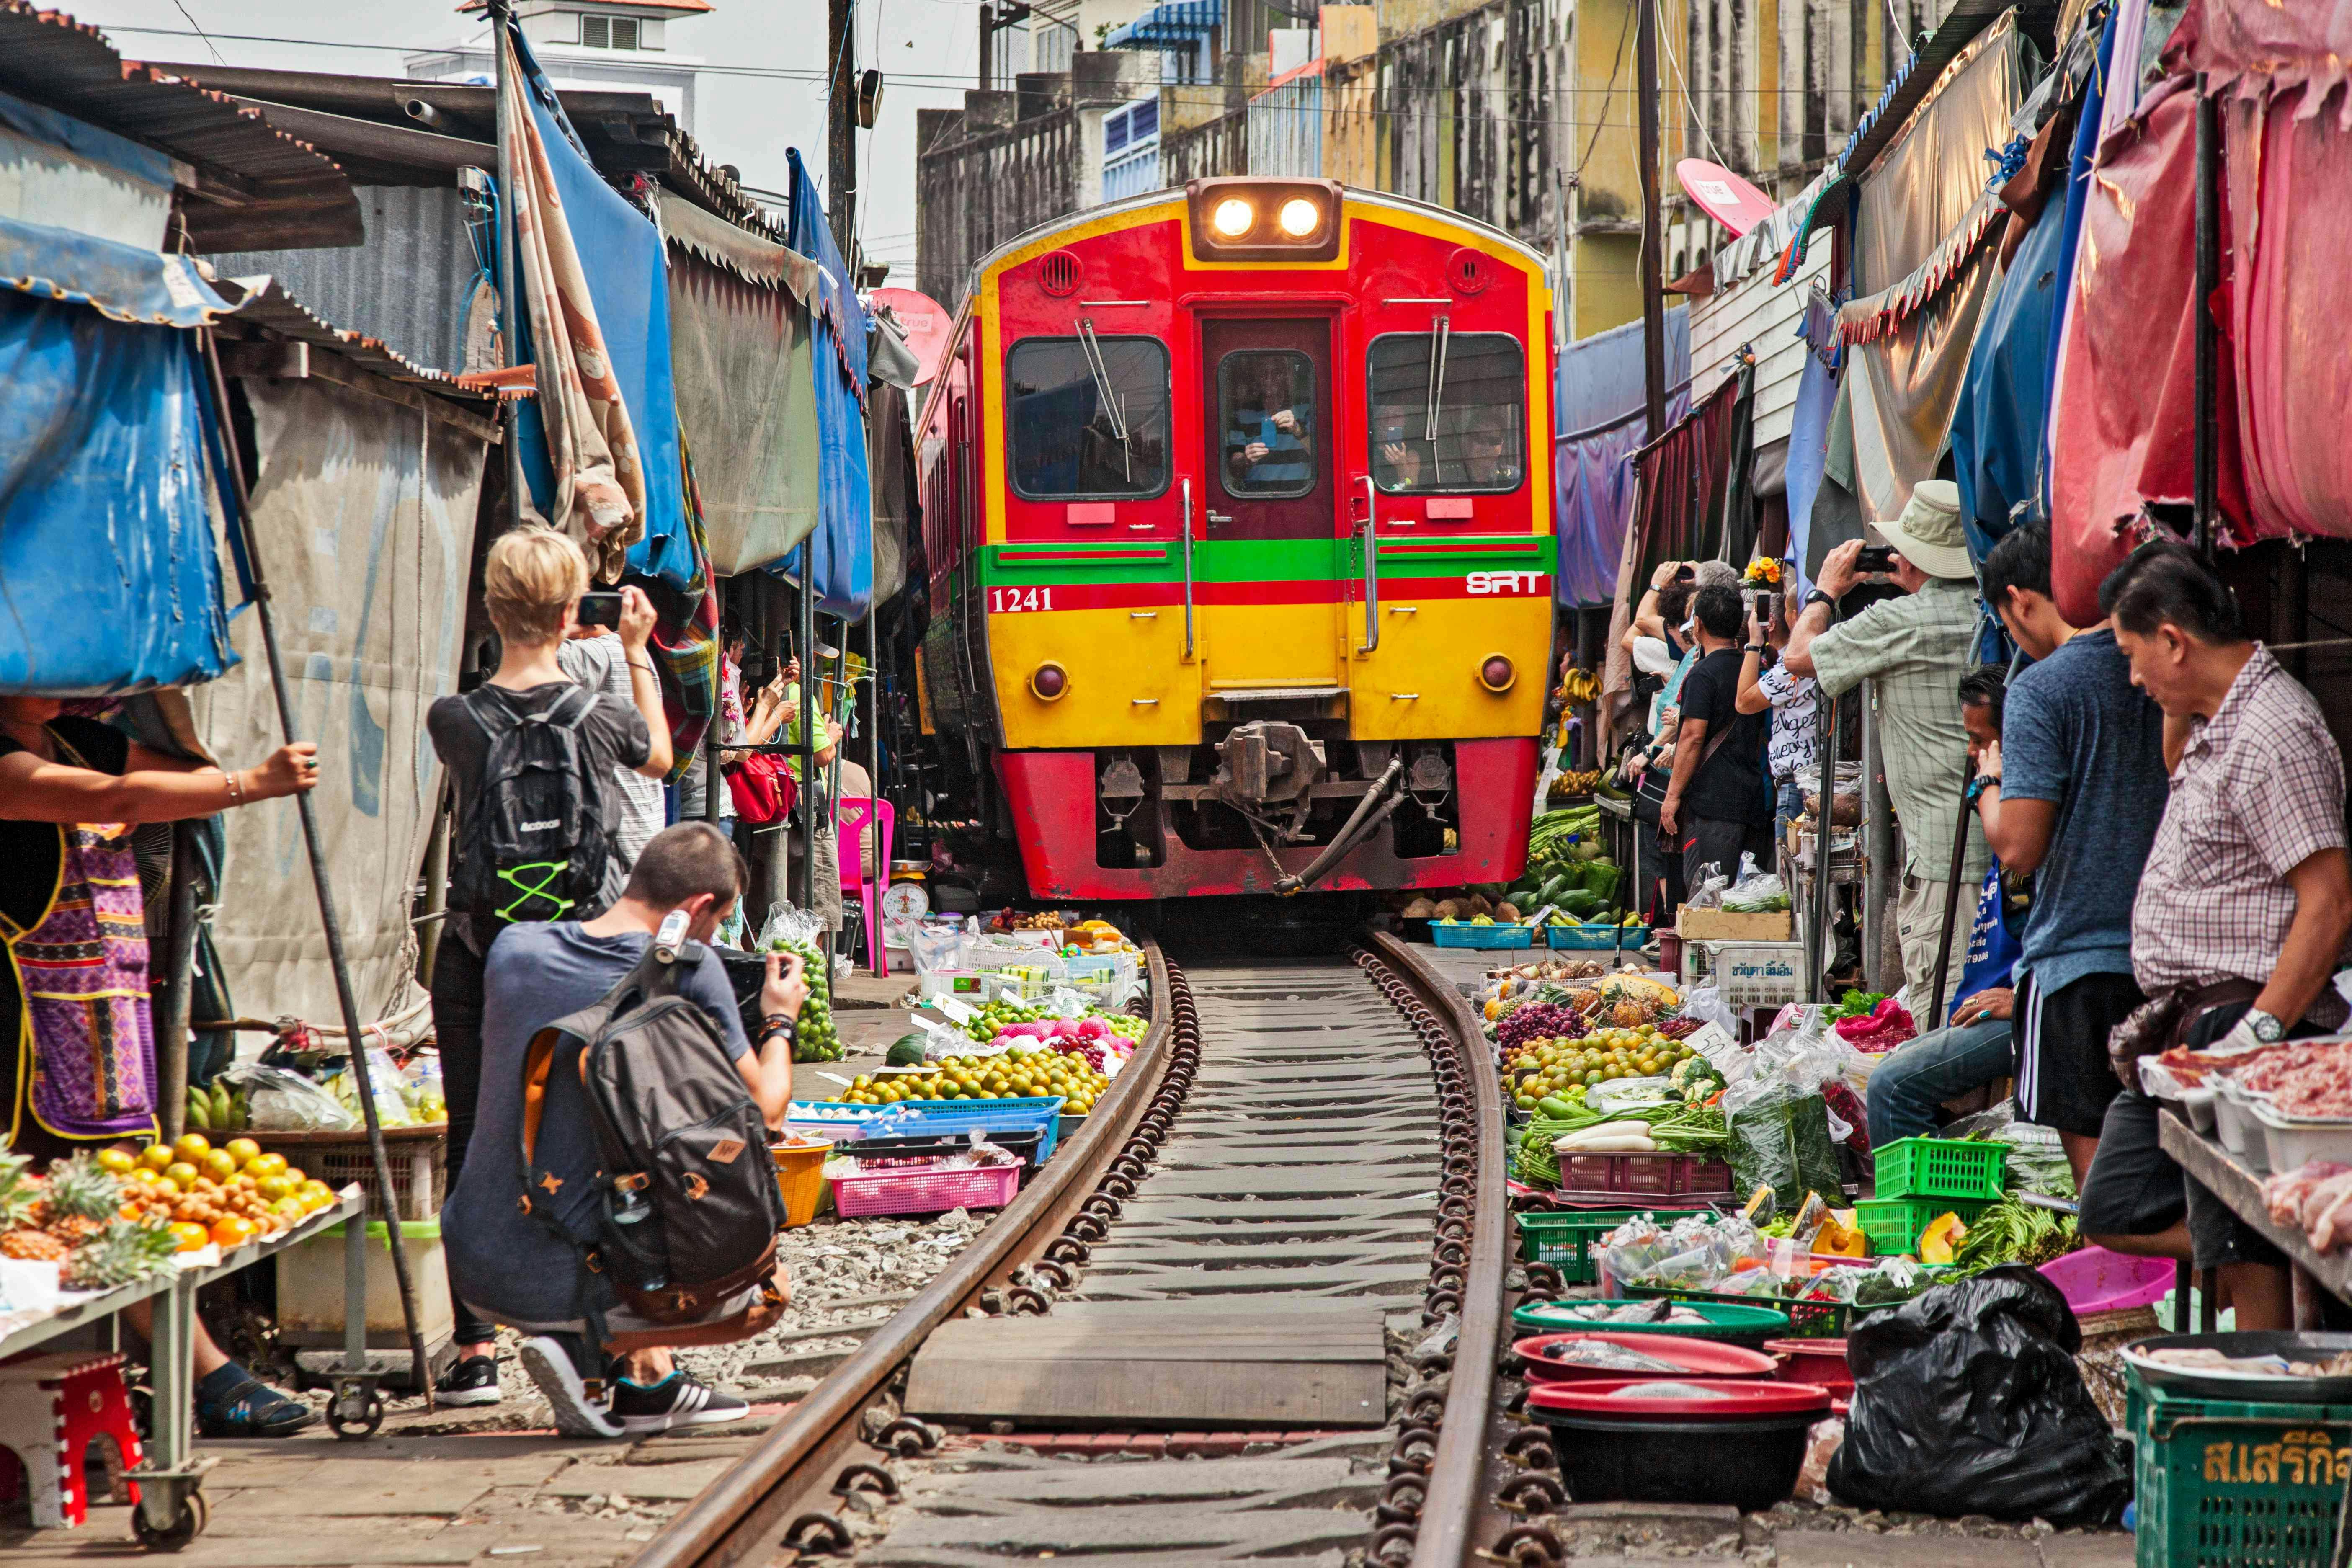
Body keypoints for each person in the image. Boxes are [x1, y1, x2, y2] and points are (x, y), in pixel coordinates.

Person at [0, 697, 323, 1434]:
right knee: (58, 1198)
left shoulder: (79, 738)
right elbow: (119, 799)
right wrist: (252, 782)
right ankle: (205, 1372)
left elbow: (180, 773)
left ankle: (177, 1371)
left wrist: (195, 747)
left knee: (111, 1193)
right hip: (25, 1024)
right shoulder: (9, 760)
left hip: (105, 1012)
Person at [442, 821, 808, 1436]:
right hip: (560, 1278)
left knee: (621, 1159)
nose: (714, 937)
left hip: (474, 1262)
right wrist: (779, 1021)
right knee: (772, 1292)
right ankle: (590, 1348)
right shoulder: (690, 968)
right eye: (717, 924)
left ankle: (651, 1387)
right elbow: (769, 1108)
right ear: (698, 908)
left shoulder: (513, 950)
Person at [2074, 544, 2352, 1332]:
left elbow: (2328, 902)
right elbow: (2173, 765)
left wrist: (2259, 1032)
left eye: (2134, 656)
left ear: (2173, 640)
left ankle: (2268, 1378)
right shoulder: (2214, 718)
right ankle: (2275, 1243)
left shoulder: (2275, 731)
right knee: (2118, 1201)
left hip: (2245, 1017)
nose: (2132, 677)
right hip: (2189, 1020)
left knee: (2239, 1225)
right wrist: (2177, 700)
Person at [426, 527, 671, 1406]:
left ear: (491, 609)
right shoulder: (600, 714)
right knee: (590, 1141)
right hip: (577, 959)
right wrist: (635, 654)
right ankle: (599, 1347)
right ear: (574, 614)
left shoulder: (452, 719)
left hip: (480, 957)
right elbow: (661, 758)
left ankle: (472, 1352)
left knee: (473, 1137)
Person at [1970, 522, 2168, 1186]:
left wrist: (1988, 782)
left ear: (2021, 600)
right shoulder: (2154, 665)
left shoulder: (2040, 690)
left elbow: (2021, 845)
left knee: (2108, 1204)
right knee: (2175, 1183)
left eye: (2006, 621)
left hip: (2080, 967)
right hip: (2171, 963)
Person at [1782, 480, 1986, 993]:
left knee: (1945, 1009)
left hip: (1945, 859)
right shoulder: (1991, 611)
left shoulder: (1900, 621)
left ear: (1913, 558)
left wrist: (1825, 591)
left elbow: (1798, 657)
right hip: (2002, 841)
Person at [1866, 668, 2026, 1145]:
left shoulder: (2032, 824)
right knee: (1899, 1068)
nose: (1972, 754)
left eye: (1981, 741)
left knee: (1892, 1087)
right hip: (1993, 1003)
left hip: (2032, 1010)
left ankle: (1928, 1218)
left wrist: (2022, 998)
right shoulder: (2010, 810)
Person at [1659, 585, 1774, 890]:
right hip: (1754, 799)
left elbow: (1692, 738)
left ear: (1698, 625)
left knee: (1708, 897)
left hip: (1713, 805)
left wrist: (1672, 797)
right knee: (1748, 898)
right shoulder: (1756, 668)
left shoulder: (1702, 675)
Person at [559, 614, 668, 869]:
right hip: (641, 825)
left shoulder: (598, 653)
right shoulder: (632, 652)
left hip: (617, 837)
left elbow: (531, 659)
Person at [1734, 578, 1820, 852]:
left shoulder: (1797, 665)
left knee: (1792, 877)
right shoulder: (1823, 653)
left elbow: (1744, 702)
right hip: (1818, 779)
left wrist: (1754, 644)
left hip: (1798, 784)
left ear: (1796, 617)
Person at [1225, 361, 1313, 490]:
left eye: (1277, 373)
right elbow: (1234, 472)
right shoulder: (1242, 415)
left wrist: (1297, 429)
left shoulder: (1305, 409)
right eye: (1263, 373)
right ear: (1257, 378)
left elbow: (1322, 457)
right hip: (1255, 497)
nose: (1269, 379)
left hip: (1302, 495)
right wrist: (1248, 459)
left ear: (1288, 376)